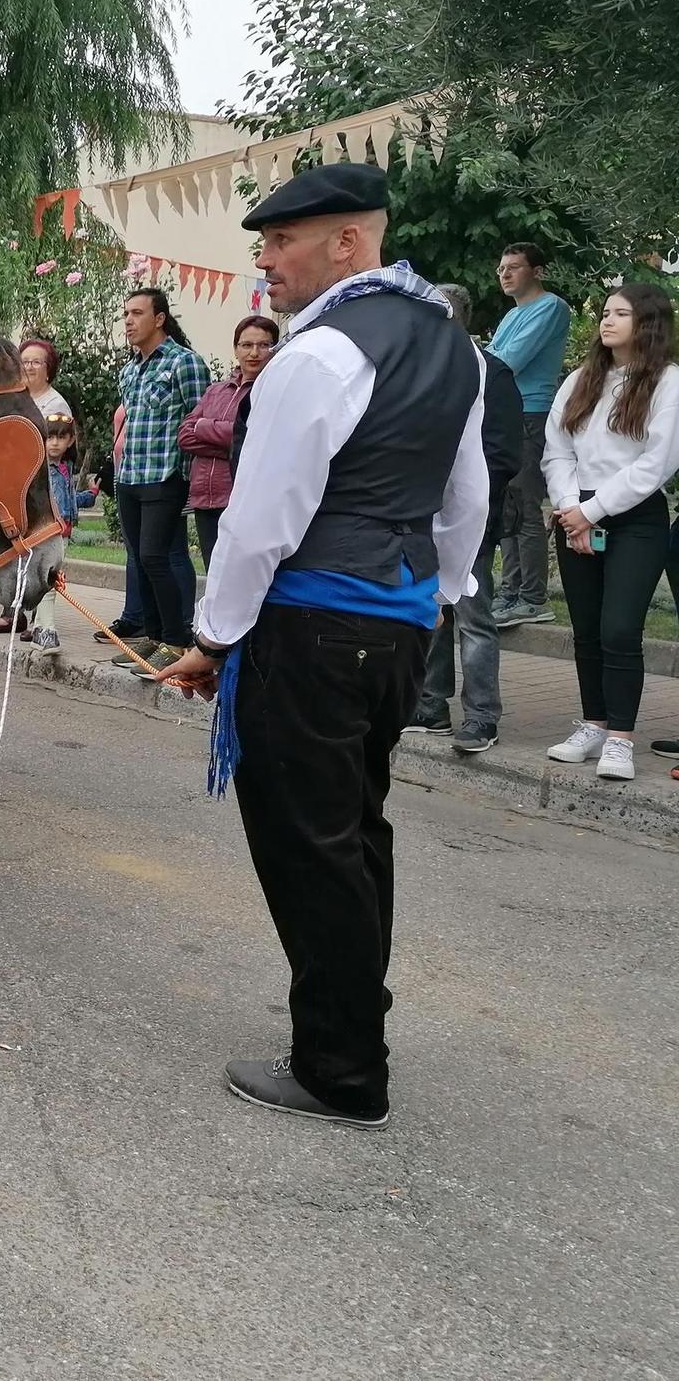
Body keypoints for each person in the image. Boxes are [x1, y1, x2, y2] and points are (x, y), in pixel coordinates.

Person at [157, 163, 488, 1131]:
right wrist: (439, 600)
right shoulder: (454, 349)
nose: (262, 263)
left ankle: (339, 1067)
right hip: (391, 626)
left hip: (309, 627)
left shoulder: (318, 355)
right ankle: (352, 1020)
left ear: (345, 242)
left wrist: (212, 637)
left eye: (279, 243)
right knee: (352, 832)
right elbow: (462, 499)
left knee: (310, 847)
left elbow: (260, 521)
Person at [537, 284, 679, 782]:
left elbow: (654, 466)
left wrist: (593, 510)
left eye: (621, 312)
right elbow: (556, 450)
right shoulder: (581, 378)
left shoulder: (668, 383)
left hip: (634, 518)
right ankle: (593, 724)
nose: (607, 320)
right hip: (576, 514)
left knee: (620, 629)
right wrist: (572, 507)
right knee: (587, 630)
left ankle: (620, 737)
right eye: (604, 312)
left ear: (648, 322)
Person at [407, 283, 524, 754]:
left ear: (459, 319)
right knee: (432, 610)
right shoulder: (419, 372)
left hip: (471, 515)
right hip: (420, 513)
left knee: (473, 616)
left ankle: (481, 716)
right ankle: (431, 705)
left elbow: (502, 453)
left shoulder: (493, 374)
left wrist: (459, 490)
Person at [113, 288, 211, 676]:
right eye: (125, 315)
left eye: (137, 313)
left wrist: (188, 475)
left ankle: (176, 638)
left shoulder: (184, 363)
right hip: (130, 476)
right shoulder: (130, 369)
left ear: (159, 318)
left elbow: (198, 421)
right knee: (139, 557)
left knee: (157, 556)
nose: (129, 321)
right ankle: (151, 637)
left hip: (165, 476)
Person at [489, 242, 574, 628]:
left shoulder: (551, 308)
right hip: (506, 414)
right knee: (506, 509)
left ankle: (533, 598)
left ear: (536, 271)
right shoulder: (512, 315)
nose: (504, 274)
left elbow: (506, 361)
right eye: (501, 268)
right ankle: (509, 592)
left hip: (531, 414)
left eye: (513, 267)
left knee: (524, 507)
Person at [0, 415, 94, 647]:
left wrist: (89, 497)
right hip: (45, 532)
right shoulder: (38, 469)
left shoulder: (66, 468)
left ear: (71, 440)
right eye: (50, 437)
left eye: (61, 437)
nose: (54, 443)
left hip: (63, 533)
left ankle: (40, 625)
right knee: (41, 577)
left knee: (50, 580)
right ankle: (42, 629)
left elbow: (69, 498)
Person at [180, 316, 278, 572]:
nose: (254, 352)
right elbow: (185, 434)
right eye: (246, 345)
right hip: (205, 497)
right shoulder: (216, 391)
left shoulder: (272, 390)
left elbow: (257, 438)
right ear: (235, 349)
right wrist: (232, 441)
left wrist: (205, 427)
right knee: (213, 571)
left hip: (240, 498)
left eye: (263, 345)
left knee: (237, 575)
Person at [15, 337, 73, 419]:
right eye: (24, 362)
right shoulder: (14, 398)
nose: (28, 367)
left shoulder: (57, 406)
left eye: (36, 362)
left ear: (49, 369)